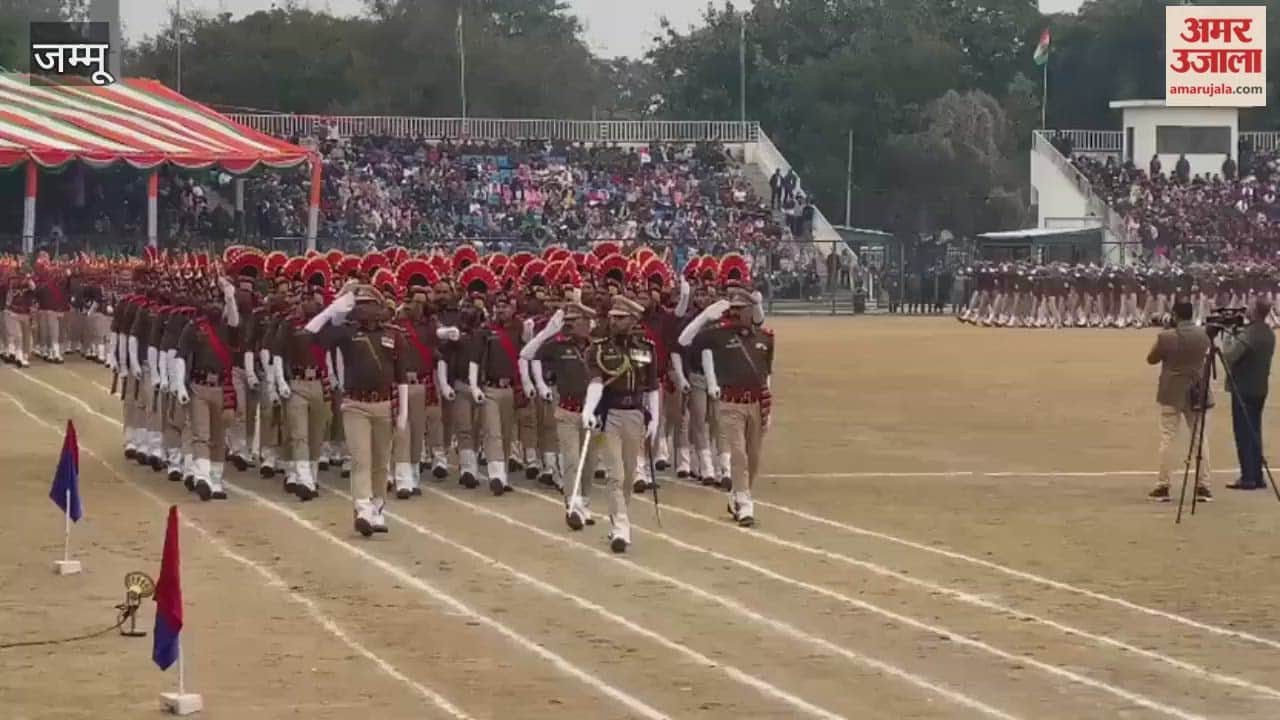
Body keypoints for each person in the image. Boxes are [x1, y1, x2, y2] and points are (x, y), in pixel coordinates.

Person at [581, 294, 659, 554]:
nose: (615, 322)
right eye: (613, 317)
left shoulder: (646, 348)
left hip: (635, 414)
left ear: (633, 319)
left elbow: (652, 387)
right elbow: (595, 381)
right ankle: (621, 527)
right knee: (615, 475)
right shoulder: (599, 348)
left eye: (621, 318)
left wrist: (655, 418)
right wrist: (589, 410)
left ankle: (619, 516)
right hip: (610, 415)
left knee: (627, 475)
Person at [1146, 301, 1213, 502]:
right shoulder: (1204, 335)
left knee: (1168, 438)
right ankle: (1203, 485)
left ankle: (1163, 484)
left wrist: (1167, 330)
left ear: (1174, 315)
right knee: (1199, 437)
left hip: (1172, 391)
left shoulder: (1166, 337)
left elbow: (1151, 358)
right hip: (1196, 390)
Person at [1222, 298, 1275, 490]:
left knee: (1243, 432)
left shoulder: (1250, 334)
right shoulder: (1268, 333)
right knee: (1254, 431)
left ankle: (1248, 476)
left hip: (1244, 388)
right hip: (1260, 387)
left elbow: (1229, 356)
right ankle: (1256, 473)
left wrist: (1228, 337)